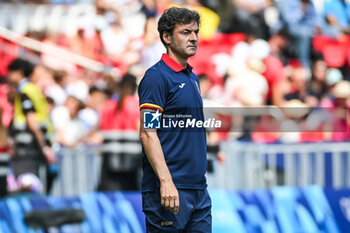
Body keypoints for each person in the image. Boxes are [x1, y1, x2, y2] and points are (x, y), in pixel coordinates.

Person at [138, 7, 211, 232]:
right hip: (169, 190)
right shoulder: (156, 77)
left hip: (198, 190)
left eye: (196, 32)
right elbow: (147, 132)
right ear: (167, 37)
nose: (194, 38)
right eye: (186, 32)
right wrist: (166, 181)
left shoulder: (192, 77)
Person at [7, 59, 56, 194]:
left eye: (11, 72)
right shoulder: (34, 89)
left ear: (19, 73)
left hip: (28, 148)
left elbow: (32, 121)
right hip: (36, 146)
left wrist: (44, 147)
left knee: (28, 185)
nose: (9, 76)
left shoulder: (25, 91)